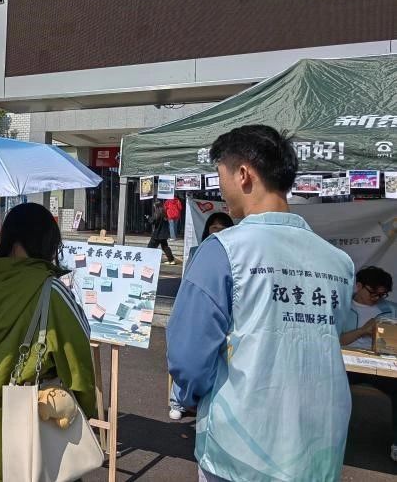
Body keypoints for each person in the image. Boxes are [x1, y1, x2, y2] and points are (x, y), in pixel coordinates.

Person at [167, 125, 354, 482]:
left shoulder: (224, 250)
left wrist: (190, 398)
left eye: (220, 176)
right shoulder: (338, 262)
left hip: (240, 449)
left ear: (243, 174)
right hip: (320, 447)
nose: (221, 190)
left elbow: (188, 356)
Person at [0, 202, 96, 482]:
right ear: (47, 243)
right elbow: (78, 367)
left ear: (7, 237)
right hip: (27, 450)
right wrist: (82, 411)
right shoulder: (50, 291)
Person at [169, 210, 235, 420]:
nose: (218, 232)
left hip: (219, 311)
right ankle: (178, 400)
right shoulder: (199, 251)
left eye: (223, 229)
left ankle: (195, 399)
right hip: (195, 304)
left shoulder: (233, 255)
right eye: (214, 228)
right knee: (188, 351)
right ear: (207, 230)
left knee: (206, 356)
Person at [340, 266, 397, 461]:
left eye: (382, 294)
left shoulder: (390, 309)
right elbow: (335, 339)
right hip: (346, 364)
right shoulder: (342, 307)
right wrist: (363, 331)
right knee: (329, 385)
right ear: (358, 286)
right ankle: (329, 435)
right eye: (373, 292)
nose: (377, 298)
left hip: (380, 365)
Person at [148, 200, 177, 265]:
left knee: (150, 247)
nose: (153, 206)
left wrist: (148, 218)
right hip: (164, 234)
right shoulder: (164, 213)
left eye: (154, 205)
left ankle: (148, 259)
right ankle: (171, 260)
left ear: (156, 206)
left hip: (157, 234)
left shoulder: (157, 213)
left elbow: (152, 221)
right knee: (165, 247)